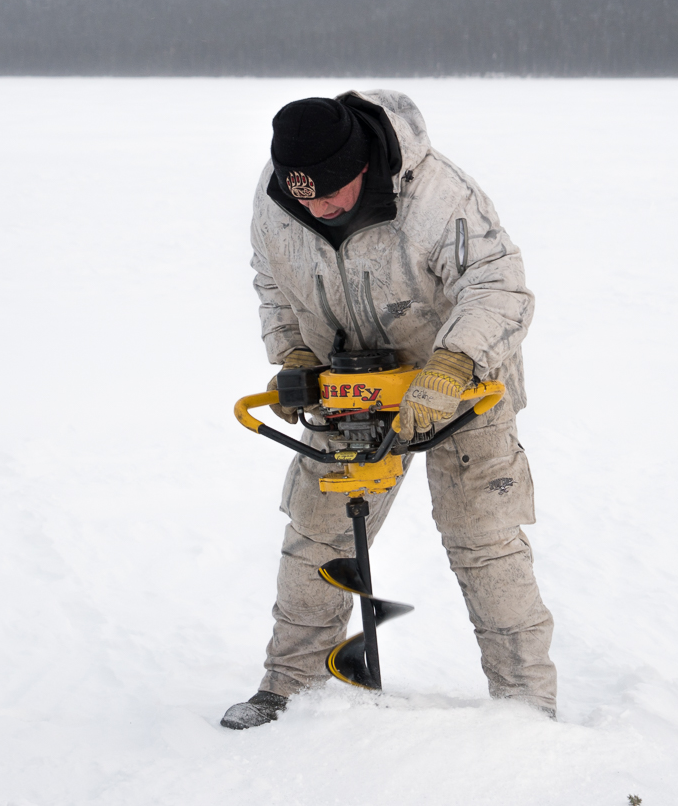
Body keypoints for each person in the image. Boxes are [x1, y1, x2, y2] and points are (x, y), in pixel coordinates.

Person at [220, 90, 555, 730]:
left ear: (363, 165)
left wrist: (453, 367)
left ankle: (528, 709)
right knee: (318, 532)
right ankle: (287, 688)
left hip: (458, 382)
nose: (318, 208)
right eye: (304, 198)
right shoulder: (277, 198)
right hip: (346, 381)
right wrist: (291, 351)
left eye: (331, 194)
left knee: (483, 539)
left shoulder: (438, 196)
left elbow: (499, 286)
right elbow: (272, 280)